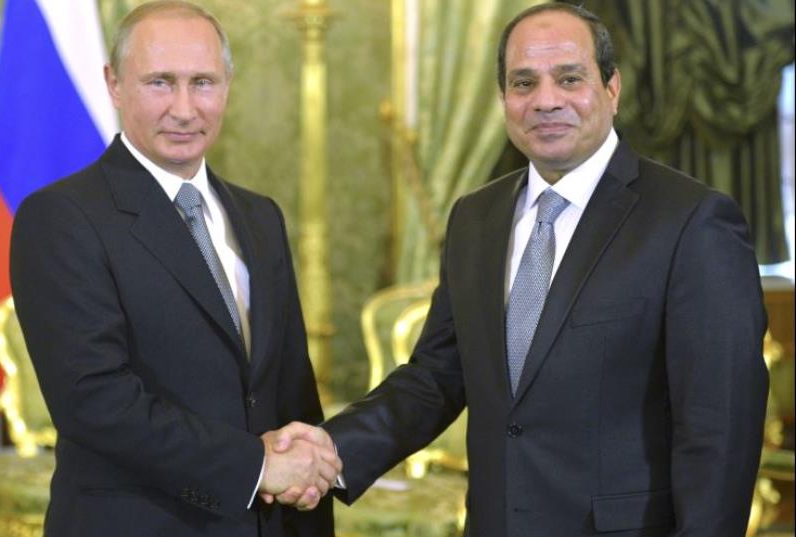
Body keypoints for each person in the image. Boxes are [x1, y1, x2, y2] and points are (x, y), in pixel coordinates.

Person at [268, 4, 769, 536]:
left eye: (569, 78)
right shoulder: (475, 218)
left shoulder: (691, 221)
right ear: (504, 98)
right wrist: (332, 447)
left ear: (612, 89)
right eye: (524, 82)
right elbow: (436, 378)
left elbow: (721, 426)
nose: (546, 100)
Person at [9, 2, 338, 536]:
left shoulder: (260, 216)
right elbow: (95, 402)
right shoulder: (61, 216)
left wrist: (307, 482)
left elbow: (290, 390)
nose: (184, 109)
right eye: (160, 83)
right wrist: (257, 467)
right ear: (114, 84)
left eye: (203, 82)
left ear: (228, 85)